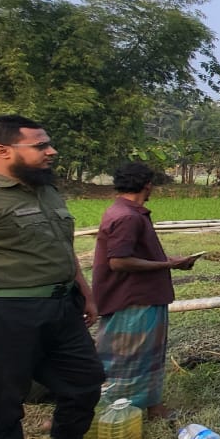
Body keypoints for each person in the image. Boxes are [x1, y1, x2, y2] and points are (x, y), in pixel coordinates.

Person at [0, 115, 114, 439]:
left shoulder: (46, 192)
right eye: (40, 145)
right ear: (4, 151)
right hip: (3, 312)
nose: (51, 151)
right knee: (2, 402)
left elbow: (64, 251)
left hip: (59, 305)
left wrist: (85, 294)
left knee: (85, 380)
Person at [91, 162, 198, 418]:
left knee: (147, 354)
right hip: (133, 299)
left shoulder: (124, 212)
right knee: (128, 357)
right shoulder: (127, 217)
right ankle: (117, 410)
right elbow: (118, 261)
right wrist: (167, 265)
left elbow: (132, 254)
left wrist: (170, 262)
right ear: (147, 185)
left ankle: (152, 406)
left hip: (142, 295)